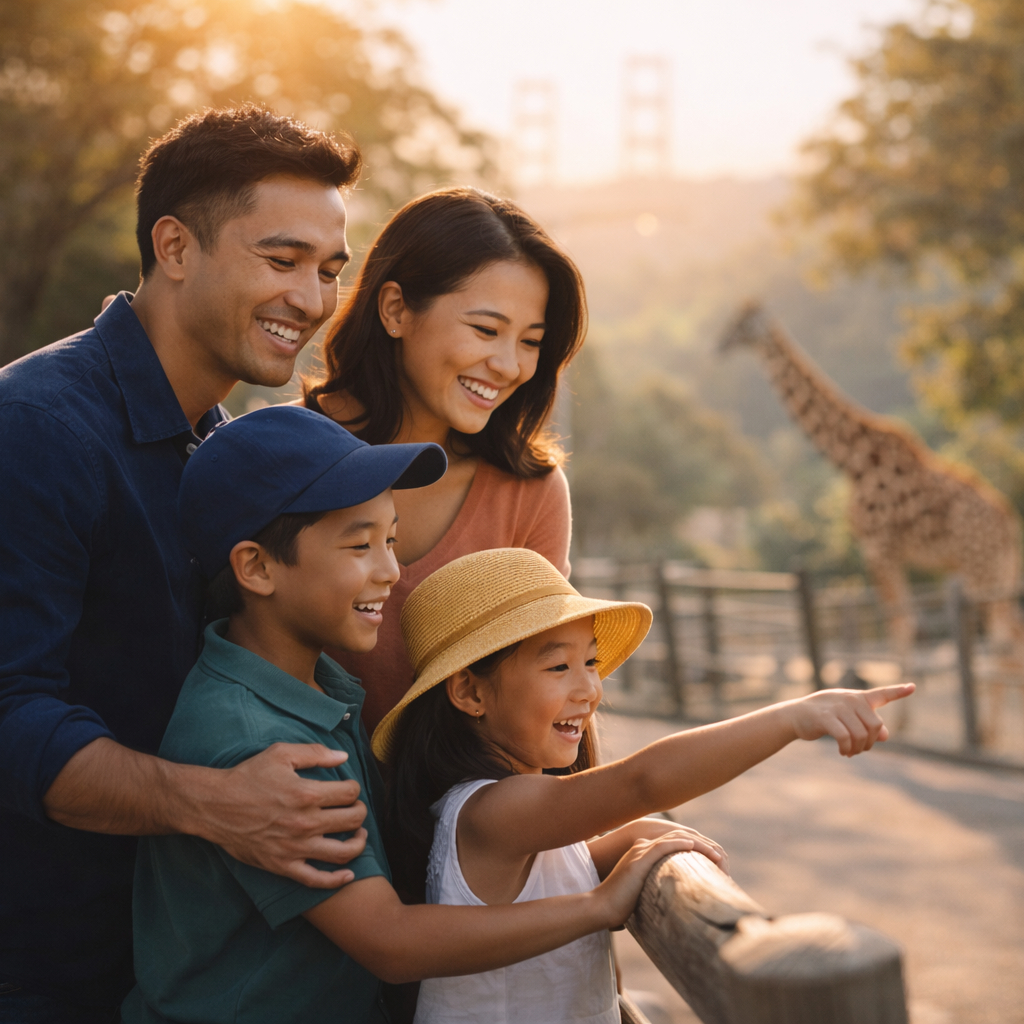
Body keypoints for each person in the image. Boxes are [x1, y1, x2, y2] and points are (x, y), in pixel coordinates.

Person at [123, 405, 701, 1024]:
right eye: (359, 544)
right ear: (257, 567)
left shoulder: (316, 684)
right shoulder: (256, 738)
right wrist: (596, 906)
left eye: (391, 539)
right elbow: (390, 943)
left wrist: (618, 847)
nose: (390, 571)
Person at [0, 107, 371, 1022]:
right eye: (281, 261)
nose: (313, 301)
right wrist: (213, 804)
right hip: (44, 971)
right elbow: (9, 714)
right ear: (174, 245)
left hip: (170, 969)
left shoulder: (226, 445)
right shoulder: (38, 428)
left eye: (330, 271)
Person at [372, 547, 917, 1024]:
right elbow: (643, 781)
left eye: (590, 661)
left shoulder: (505, 813)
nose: (589, 687)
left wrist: (633, 838)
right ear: (470, 694)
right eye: (558, 667)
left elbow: (563, 866)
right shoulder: (494, 807)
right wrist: (792, 718)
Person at [304, 186, 583, 730]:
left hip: (462, 807)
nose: (508, 365)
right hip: (300, 796)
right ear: (395, 310)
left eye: (531, 342)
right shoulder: (291, 453)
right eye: (486, 330)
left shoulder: (530, 492)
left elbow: (540, 697)